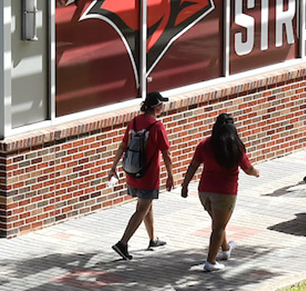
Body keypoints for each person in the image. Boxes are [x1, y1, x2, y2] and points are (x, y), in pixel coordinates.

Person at [180, 113, 261, 272]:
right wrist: (256, 172)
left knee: (217, 222)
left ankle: (225, 249)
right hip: (225, 192)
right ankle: (210, 262)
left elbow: (193, 166)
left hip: (204, 192)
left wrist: (185, 185)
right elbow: (248, 168)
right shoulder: (234, 146)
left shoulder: (204, 144)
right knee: (218, 227)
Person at [108, 91, 175, 260]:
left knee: (147, 205)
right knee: (141, 209)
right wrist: (171, 176)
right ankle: (122, 243)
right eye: (162, 105)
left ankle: (153, 239)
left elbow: (123, 145)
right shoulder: (157, 126)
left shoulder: (135, 122)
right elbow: (167, 154)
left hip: (132, 172)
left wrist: (113, 167)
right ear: (157, 107)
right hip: (148, 176)